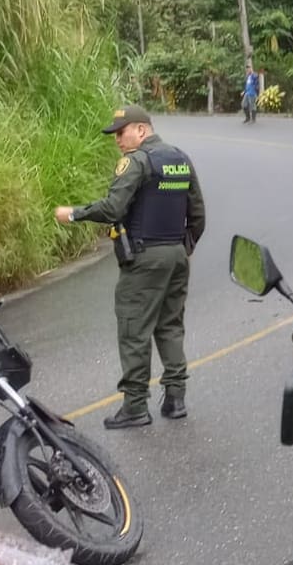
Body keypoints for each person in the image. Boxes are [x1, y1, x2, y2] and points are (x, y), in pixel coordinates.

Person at [54, 104, 206, 428]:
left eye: (121, 133)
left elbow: (112, 208)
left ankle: (135, 406)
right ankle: (176, 398)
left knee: (133, 329)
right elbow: (198, 214)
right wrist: (183, 248)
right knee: (170, 326)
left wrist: (74, 214)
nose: (118, 141)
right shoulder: (180, 158)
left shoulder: (137, 162)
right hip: (176, 255)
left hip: (145, 257)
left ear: (141, 129)